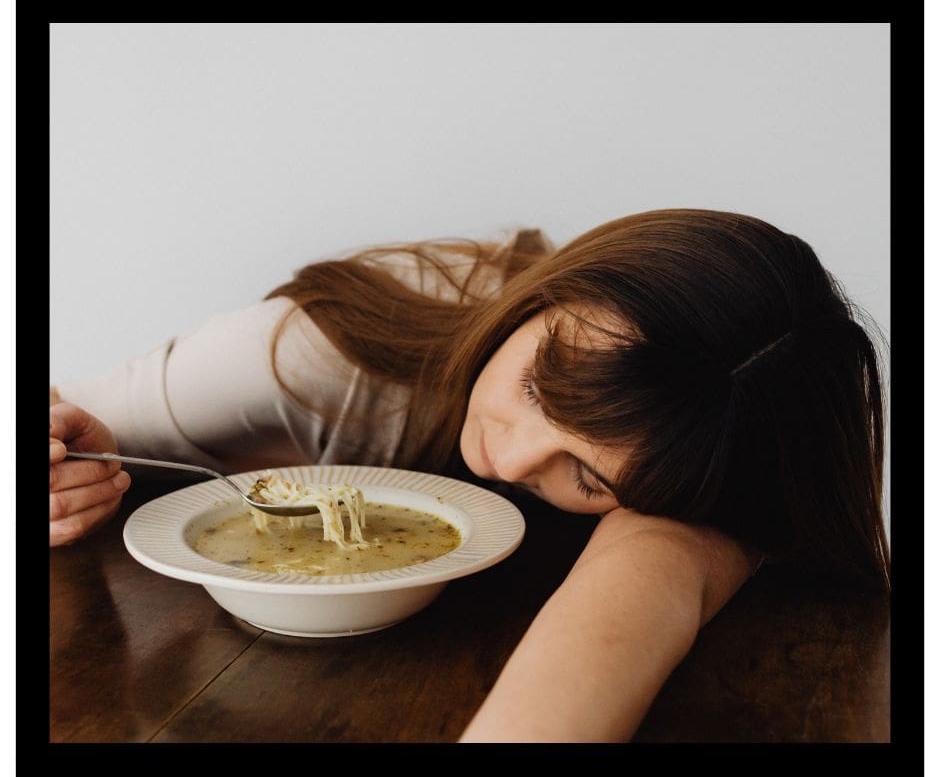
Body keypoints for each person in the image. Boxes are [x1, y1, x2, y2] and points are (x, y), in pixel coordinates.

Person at [49, 208, 890, 742]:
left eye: (589, 480)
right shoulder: (308, 357)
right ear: (549, 294)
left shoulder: (694, 462)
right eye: (537, 386)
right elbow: (61, 417)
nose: (514, 457)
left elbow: (653, 572)